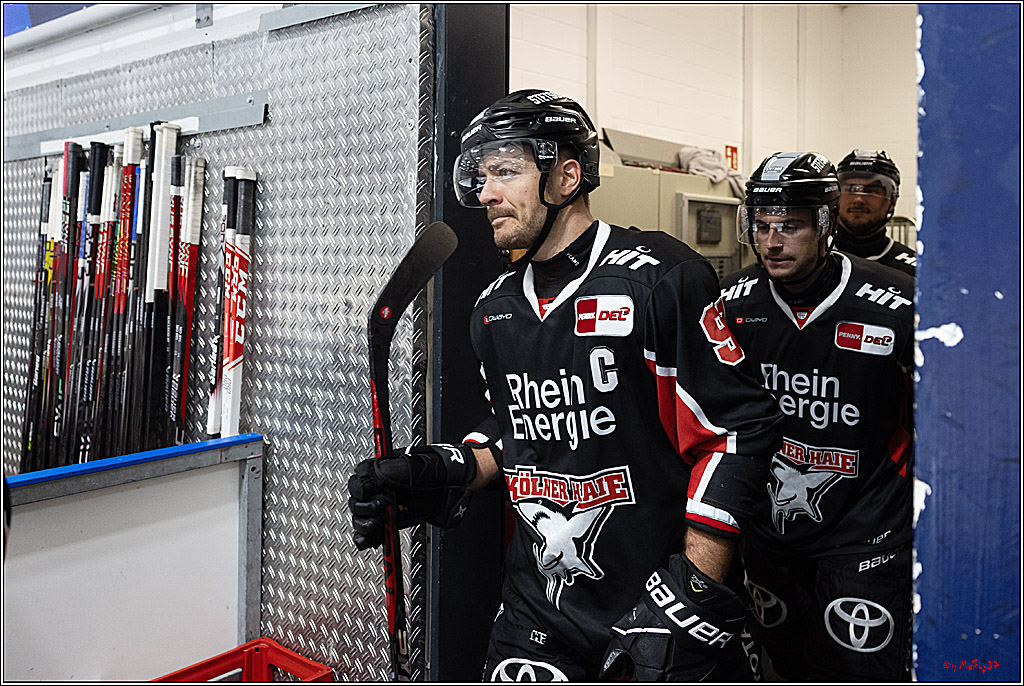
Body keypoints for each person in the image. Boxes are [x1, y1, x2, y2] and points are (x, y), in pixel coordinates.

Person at [348, 90, 782, 681]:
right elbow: (516, 431)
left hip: (652, 606)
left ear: (566, 176)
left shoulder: (659, 279)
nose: (486, 193)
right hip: (536, 606)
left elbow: (733, 433)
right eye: (481, 175)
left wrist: (694, 592)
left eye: (505, 171)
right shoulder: (494, 309)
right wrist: (444, 468)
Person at [720, 152, 915, 681]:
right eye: (761, 226)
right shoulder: (731, 304)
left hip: (865, 532)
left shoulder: (895, 302)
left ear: (825, 225)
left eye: (791, 226)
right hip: (769, 531)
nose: (773, 241)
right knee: (781, 664)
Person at [835, 149, 916, 275]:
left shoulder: (914, 271)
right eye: (851, 189)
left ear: (892, 202)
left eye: (871, 191)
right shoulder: (811, 260)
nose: (859, 199)